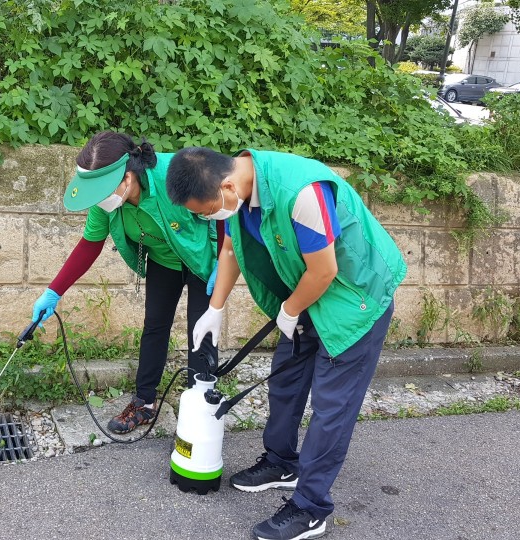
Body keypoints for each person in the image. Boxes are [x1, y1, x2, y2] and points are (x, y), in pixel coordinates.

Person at [166, 147, 406, 540]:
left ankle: (311, 508)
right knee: (285, 379)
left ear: (225, 185)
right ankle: (281, 462)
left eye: (205, 210)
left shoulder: (303, 192)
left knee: (331, 408)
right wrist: (215, 308)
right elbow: (230, 248)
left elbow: (325, 268)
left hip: (354, 296)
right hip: (310, 291)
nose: (206, 217)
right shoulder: (238, 192)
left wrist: (291, 310)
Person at [31, 131, 220, 434]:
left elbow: (222, 209)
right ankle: (144, 403)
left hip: (204, 262)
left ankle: (203, 408)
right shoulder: (104, 200)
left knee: (202, 331)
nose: (100, 198)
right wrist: (53, 292)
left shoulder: (178, 174)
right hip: (164, 261)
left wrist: (224, 258)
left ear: (128, 176)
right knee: (154, 326)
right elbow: (89, 245)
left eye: (104, 189)